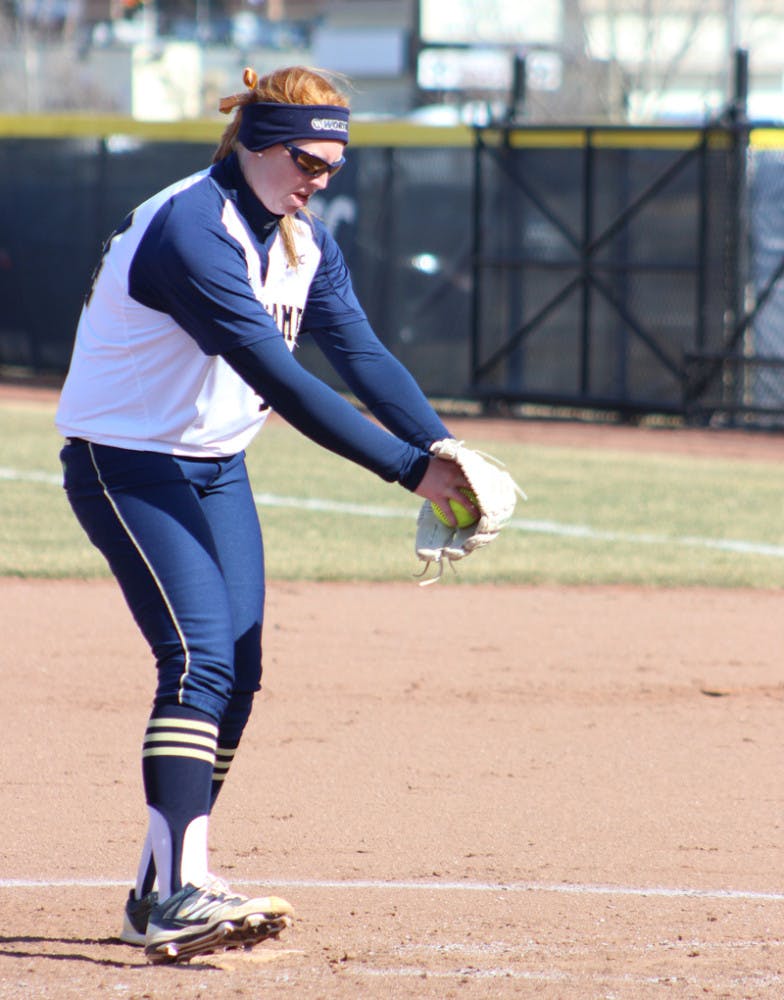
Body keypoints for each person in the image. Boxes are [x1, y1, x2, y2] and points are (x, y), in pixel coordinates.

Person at [55, 65, 476, 965]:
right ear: (253, 140)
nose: (321, 175)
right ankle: (180, 893)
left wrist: (449, 450)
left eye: (334, 161)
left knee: (238, 672)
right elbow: (279, 376)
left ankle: (155, 892)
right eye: (306, 156)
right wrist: (411, 471)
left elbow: (358, 352)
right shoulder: (191, 231)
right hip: (125, 461)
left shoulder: (299, 240)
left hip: (213, 467)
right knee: (198, 654)